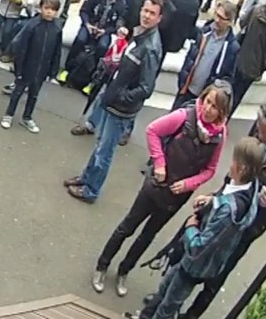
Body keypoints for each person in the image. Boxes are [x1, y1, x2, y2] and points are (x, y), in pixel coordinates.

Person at [93, 83, 231, 300]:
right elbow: (152, 130)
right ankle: (102, 265)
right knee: (128, 226)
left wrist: (188, 184)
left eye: (214, 107)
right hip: (156, 186)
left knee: (147, 236)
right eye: (207, 101)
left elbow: (210, 170)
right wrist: (159, 163)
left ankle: (124, 271)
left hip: (176, 196)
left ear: (222, 112)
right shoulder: (184, 116)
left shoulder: (220, 135)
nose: (208, 108)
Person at [180, 95, 266, 319]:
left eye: (265, 133)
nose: (260, 136)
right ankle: (171, 296)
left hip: (248, 223)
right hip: (229, 198)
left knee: (218, 273)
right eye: (259, 130)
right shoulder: (261, 124)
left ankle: (191, 315)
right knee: (195, 243)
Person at [129, 137, 265, 319]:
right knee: (164, 289)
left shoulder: (228, 211)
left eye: (234, 160)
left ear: (242, 168)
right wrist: (213, 200)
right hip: (199, 263)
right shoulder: (251, 187)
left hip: (195, 265)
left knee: (168, 307)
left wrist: (191, 227)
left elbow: (199, 246)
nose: (230, 163)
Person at [65, 0, 164, 204]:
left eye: (152, 13)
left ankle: (91, 190)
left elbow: (146, 88)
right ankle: (86, 178)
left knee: (105, 151)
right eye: (145, 10)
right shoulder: (141, 35)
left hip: (120, 108)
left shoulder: (150, 48)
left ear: (159, 18)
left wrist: (121, 96)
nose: (146, 16)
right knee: (101, 144)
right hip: (113, 100)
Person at [2, 0, 64, 133]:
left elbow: (57, 51)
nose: (49, 12)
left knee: (34, 95)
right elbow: (22, 48)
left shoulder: (57, 28)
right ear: (41, 8)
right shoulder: (33, 25)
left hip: (42, 69)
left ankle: (27, 117)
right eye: (46, 8)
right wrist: (18, 68)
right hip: (27, 67)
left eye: (53, 9)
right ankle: (9, 114)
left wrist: (53, 72)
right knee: (17, 92)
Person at [173, 0, 239, 109]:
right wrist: (183, 79)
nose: (217, 20)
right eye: (216, 14)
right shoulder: (204, 32)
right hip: (185, 90)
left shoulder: (231, 48)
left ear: (229, 22)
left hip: (204, 100)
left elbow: (227, 77)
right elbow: (191, 57)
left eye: (221, 18)